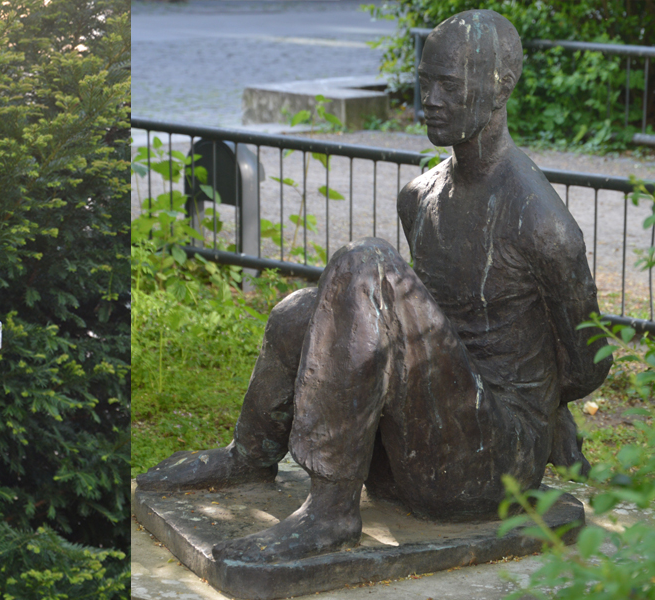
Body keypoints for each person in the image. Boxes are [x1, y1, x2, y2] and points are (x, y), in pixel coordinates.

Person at [136, 9, 611, 563]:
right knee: (301, 311)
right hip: (421, 443)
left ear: (499, 86)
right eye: (423, 81)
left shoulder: (541, 221)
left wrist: (547, 410)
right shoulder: (420, 195)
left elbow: (589, 362)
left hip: (493, 463)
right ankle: (250, 455)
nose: (428, 98)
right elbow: (418, 326)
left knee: (367, 264)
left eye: (447, 85)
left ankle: (332, 511)